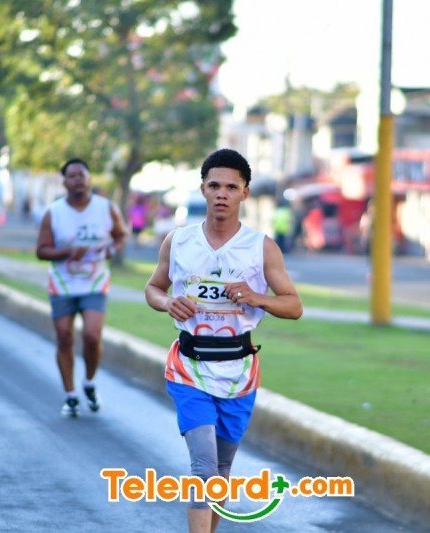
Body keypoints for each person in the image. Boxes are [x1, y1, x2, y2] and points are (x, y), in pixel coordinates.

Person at [144, 148, 303, 533]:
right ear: (203, 189)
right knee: (203, 466)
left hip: (239, 372)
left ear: (245, 193)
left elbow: (294, 305)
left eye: (231, 187)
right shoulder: (178, 241)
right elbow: (153, 288)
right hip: (189, 368)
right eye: (214, 185)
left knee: (222, 469)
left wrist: (257, 297)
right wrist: (167, 302)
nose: (222, 194)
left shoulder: (261, 247)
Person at [35, 158, 128, 417]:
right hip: (62, 283)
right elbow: (41, 250)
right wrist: (68, 252)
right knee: (64, 337)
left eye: (82, 174)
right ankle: (71, 395)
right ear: (64, 182)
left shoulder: (106, 208)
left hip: (94, 282)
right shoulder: (54, 212)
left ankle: (89, 382)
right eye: (72, 175)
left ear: (89, 179)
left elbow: (121, 235)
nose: (77, 179)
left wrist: (111, 250)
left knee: (91, 336)